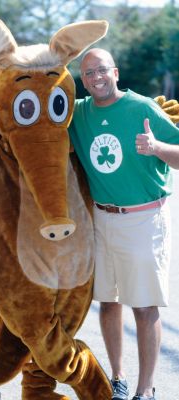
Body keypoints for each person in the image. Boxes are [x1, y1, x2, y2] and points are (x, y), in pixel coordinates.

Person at [68, 48, 179, 400]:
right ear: (82, 80)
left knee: (144, 307)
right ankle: (119, 378)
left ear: (115, 72)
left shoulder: (142, 108)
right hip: (101, 218)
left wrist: (158, 147)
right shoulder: (80, 114)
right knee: (109, 302)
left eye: (101, 70)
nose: (96, 78)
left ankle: (145, 391)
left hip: (144, 218)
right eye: (88, 74)